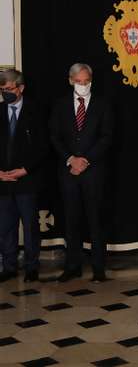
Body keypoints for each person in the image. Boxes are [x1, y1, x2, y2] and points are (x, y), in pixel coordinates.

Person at [49, 63, 114, 282]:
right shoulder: (59, 105)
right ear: (70, 81)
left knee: (95, 219)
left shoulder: (103, 105)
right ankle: (73, 266)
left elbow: (106, 136)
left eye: (87, 81)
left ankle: (98, 267)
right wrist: (70, 159)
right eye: (79, 81)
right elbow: (55, 137)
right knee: (71, 219)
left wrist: (86, 159)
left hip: (93, 170)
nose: (83, 85)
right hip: (68, 171)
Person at [0, 69, 48, 283]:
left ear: (21, 88)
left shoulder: (36, 111)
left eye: (9, 89)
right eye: (2, 90)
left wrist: (25, 169)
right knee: (5, 226)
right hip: (3, 180)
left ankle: (31, 267)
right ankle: (9, 266)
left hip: (27, 179)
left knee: (29, 225)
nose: (5, 93)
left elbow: (43, 147)